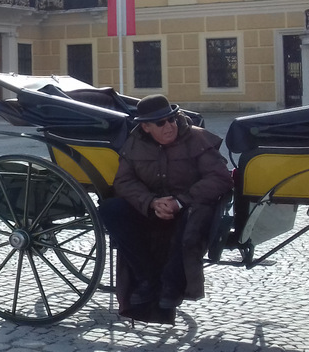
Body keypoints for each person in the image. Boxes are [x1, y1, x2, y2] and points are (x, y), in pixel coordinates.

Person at [98, 94, 232, 319]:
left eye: (172, 119)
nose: (169, 126)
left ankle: (171, 287)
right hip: (151, 207)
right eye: (161, 123)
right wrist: (151, 202)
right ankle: (147, 278)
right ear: (146, 127)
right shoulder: (134, 144)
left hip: (187, 208)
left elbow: (220, 178)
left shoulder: (196, 139)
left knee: (195, 217)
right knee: (111, 209)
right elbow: (123, 181)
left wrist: (180, 202)